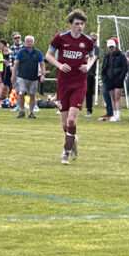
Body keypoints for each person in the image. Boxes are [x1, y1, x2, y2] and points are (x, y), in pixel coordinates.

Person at [46, 9, 96, 165]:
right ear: (70, 24)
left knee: (72, 120)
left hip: (79, 83)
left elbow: (93, 55)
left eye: (82, 24)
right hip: (63, 83)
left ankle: (65, 154)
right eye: (76, 24)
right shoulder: (60, 37)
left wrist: (88, 66)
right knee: (64, 124)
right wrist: (60, 65)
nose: (80, 27)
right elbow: (48, 55)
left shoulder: (87, 40)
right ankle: (72, 139)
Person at [12, 35, 44, 119]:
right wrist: (13, 75)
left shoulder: (38, 53)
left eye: (31, 41)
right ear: (25, 43)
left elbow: (42, 64)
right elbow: (16, 64)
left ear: (33, 42)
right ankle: (21, 111)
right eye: (28, 41)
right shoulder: (21, 52)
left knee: (32, 94)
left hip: (33, 77)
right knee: (21, 92)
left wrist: (42, 75)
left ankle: (31, 112)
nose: (29, 43)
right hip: (22, 76)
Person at [100, 38, 127, 122]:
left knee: (117, 96)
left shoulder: (121, 56)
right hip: (109, 79)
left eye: (112, 47)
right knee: (112, 97)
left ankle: (118, 115)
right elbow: (103, 68)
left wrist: (121, 77)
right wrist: (104, 78)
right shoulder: (106, 56)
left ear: (115, 46)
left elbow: (125, 68)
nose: (111, 48)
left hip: (118, 79)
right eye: (109, 47)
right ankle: (114, 114)